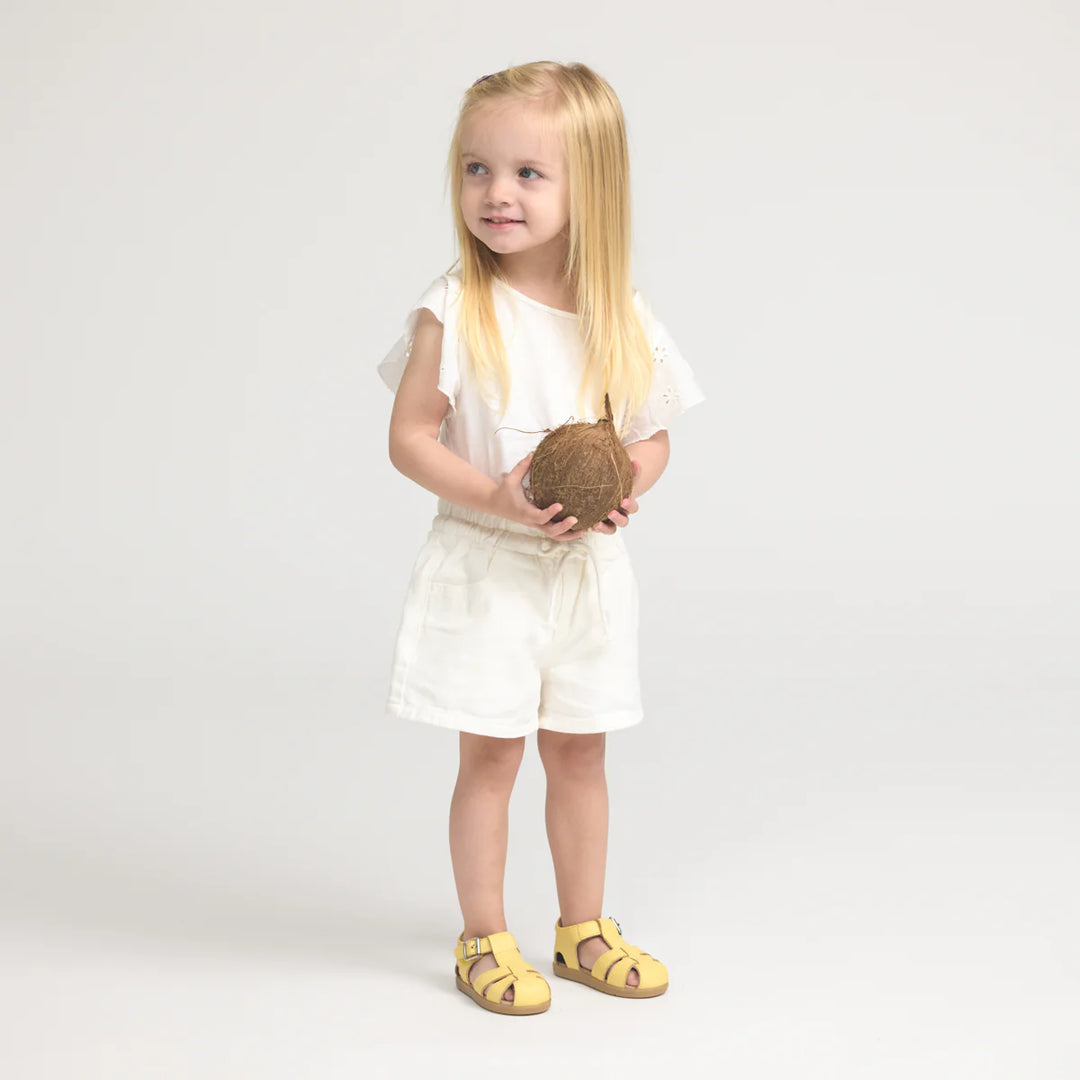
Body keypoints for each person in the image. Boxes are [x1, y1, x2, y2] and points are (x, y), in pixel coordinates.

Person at [377, 61, 705, 1015]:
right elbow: (406, 439)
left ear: (588, 188)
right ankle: (484, 937)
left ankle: (581, 930)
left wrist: (622, 487)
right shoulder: (457, 309)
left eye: (528, 173)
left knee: (582, 755)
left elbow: (653, 435)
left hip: (586, 571)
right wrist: (496, 493)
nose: (497, 193)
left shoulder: (618, 315)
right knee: (492, 758)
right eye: (477, 169)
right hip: (492, 568)